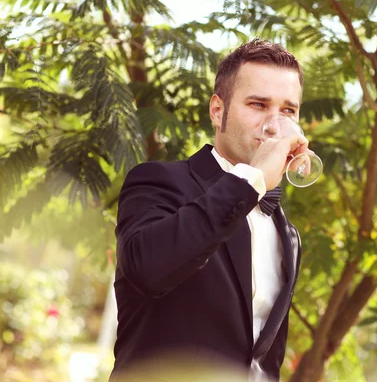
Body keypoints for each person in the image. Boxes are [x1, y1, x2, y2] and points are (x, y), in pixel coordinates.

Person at [110, 39, 310, 381]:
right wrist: (252, 180)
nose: (274, 125)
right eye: (258, 104)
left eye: (288, 111)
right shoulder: (158, 181)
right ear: (218, 111)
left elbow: (264, 359)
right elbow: (149, 269)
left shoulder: (287, 234)